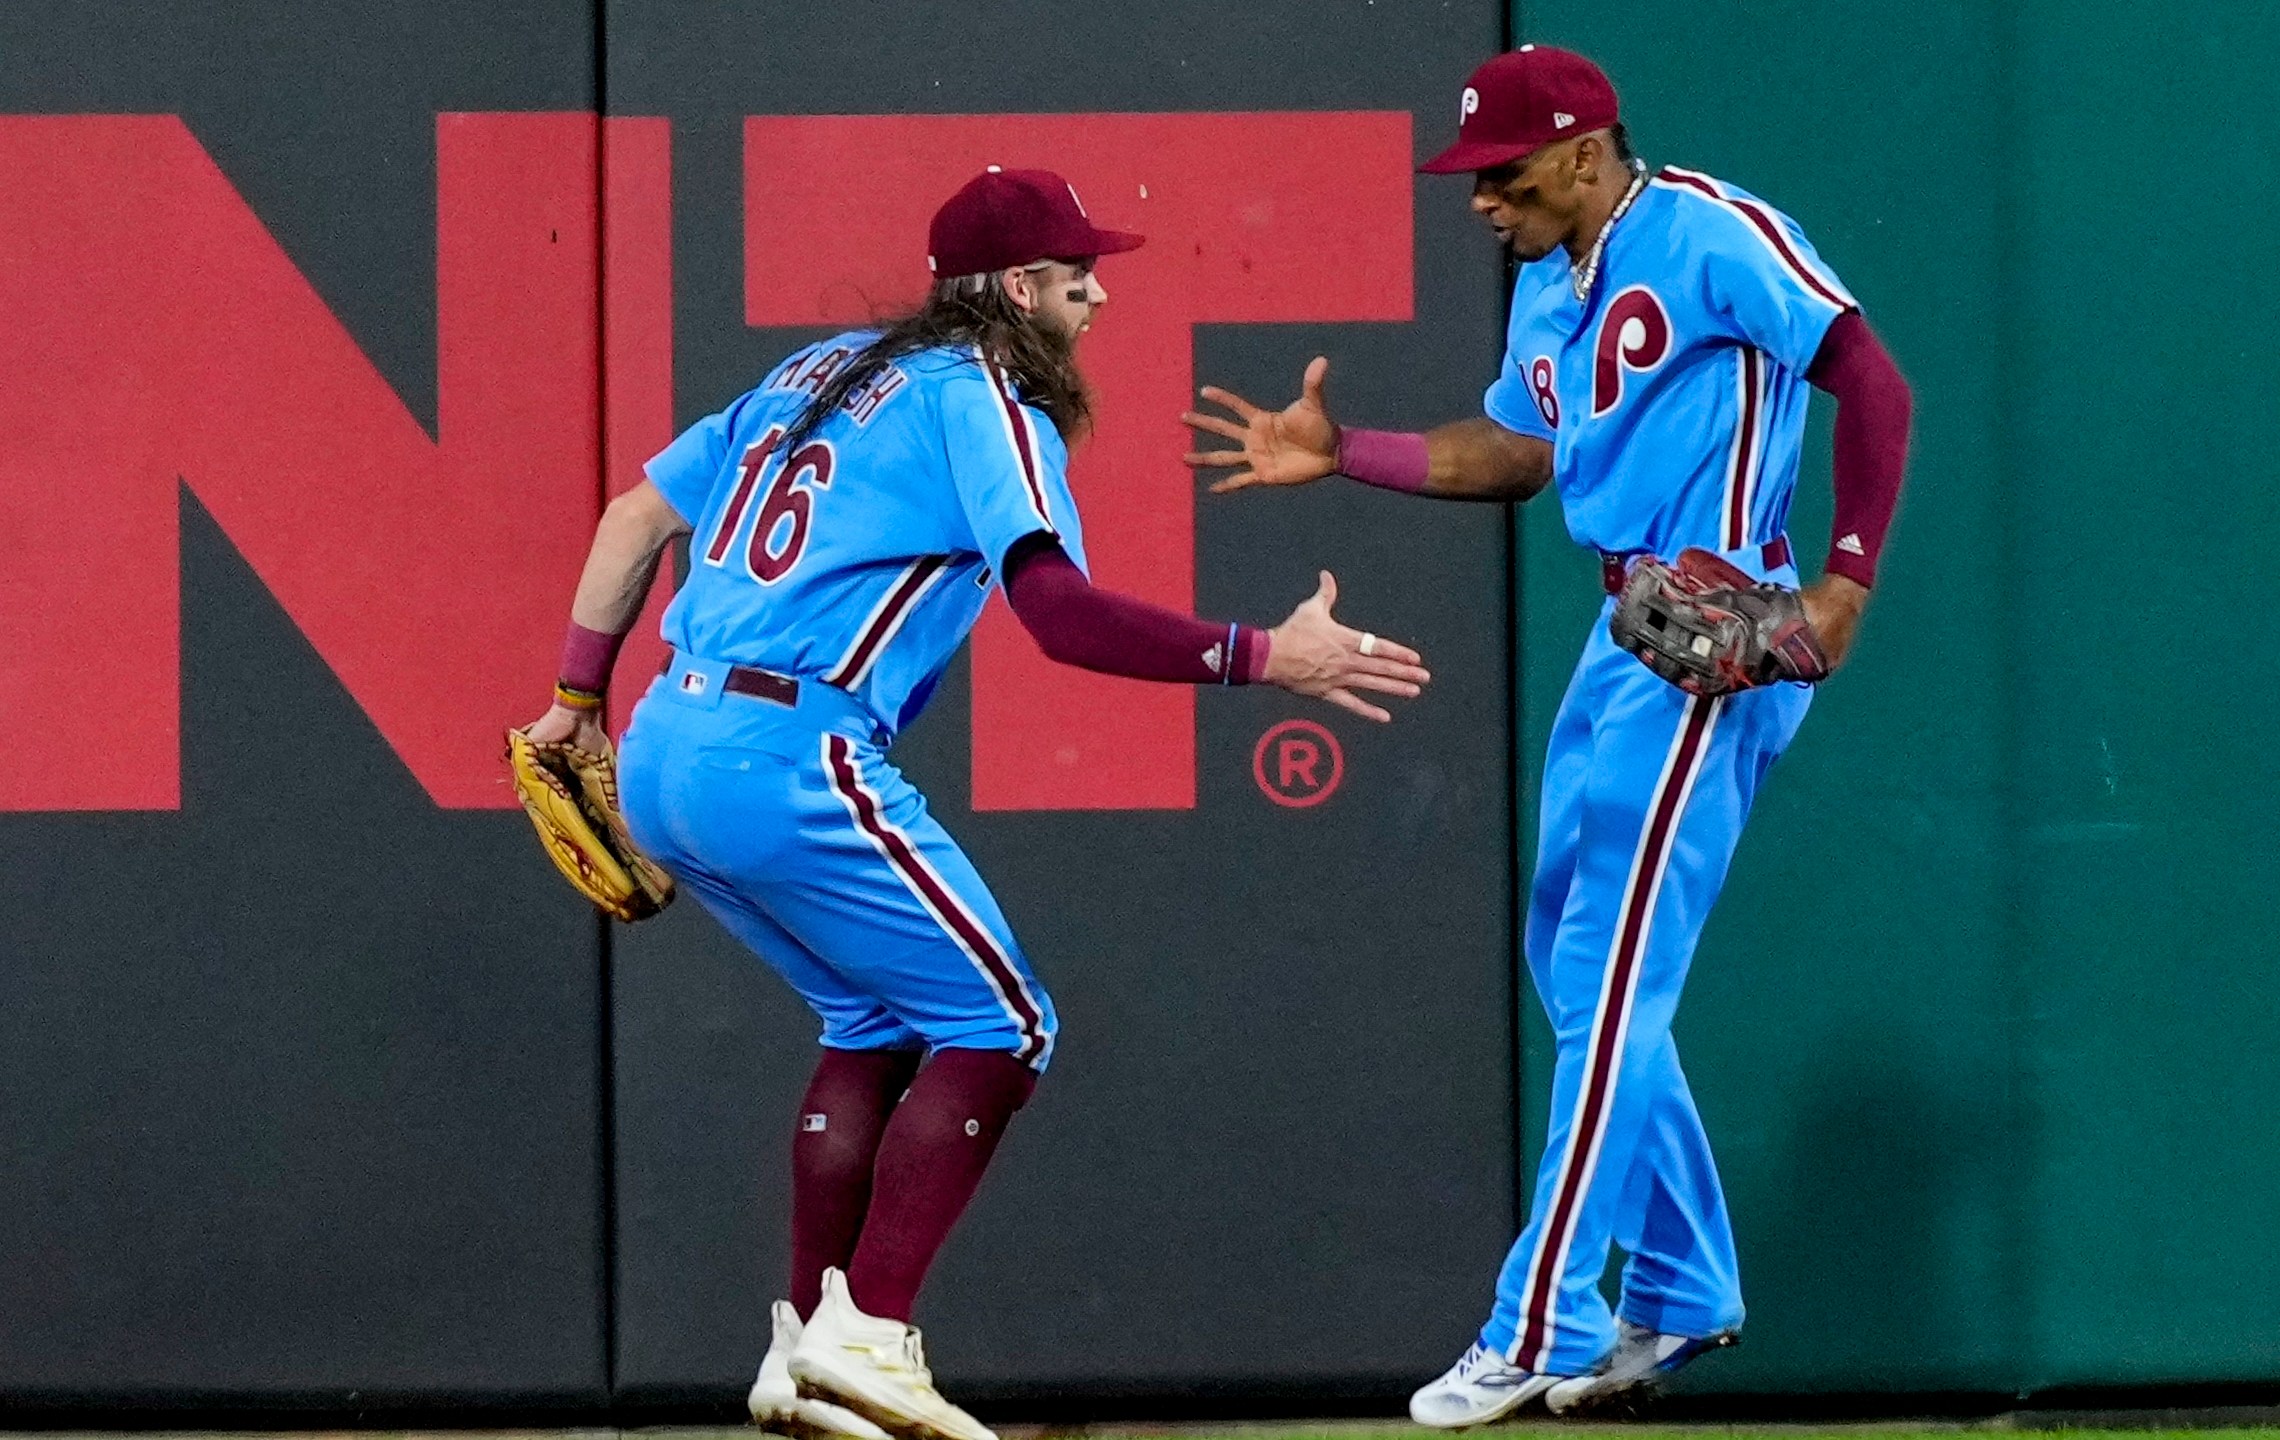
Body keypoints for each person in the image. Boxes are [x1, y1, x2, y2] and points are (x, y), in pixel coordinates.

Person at [520, 165, 1429, 1440]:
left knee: (874, 1016)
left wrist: (573, 701)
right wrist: (1267, 655)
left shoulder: (813, 370)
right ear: (1015, 290)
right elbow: (1060, 619)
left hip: (668, 737)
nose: (1097, 298)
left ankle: (803, 1346)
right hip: (788, 749)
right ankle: (874, 1335)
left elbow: (632, 518)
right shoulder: (988, 400)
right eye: (1075, 278)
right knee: (1006, 1026)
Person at [1183, 45, 1912, 1424]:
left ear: (1585, 153)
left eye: (1502, 175)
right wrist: (1350, 454)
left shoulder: (1711, 231)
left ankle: (1545, 1321)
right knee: (1572, 959)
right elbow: (1521, 454)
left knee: (1612, 969)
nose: (1480, 200)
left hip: (1718, 624)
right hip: (1620, 627)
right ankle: (1683, 1287)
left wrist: (1848, 582)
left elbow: (1872, 381)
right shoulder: (1544, 282)